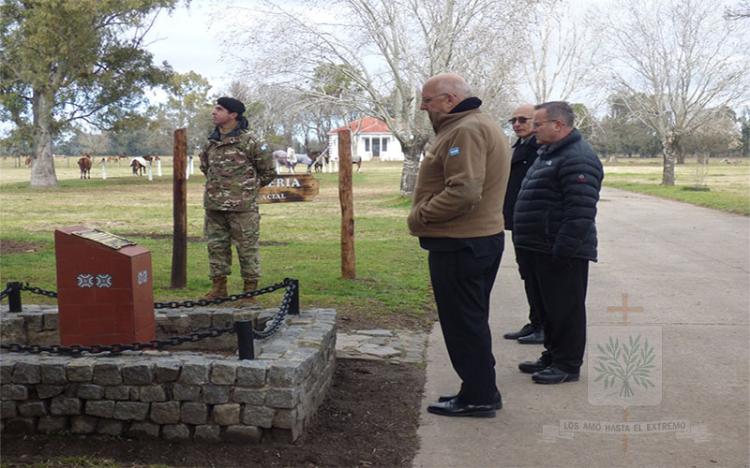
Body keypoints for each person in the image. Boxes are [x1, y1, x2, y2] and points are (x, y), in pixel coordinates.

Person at [408, 73, 510, 417]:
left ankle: (479, 396)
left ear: (450, 99)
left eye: (428, 100)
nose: (423, 107)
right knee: (471, 320)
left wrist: (420, 216)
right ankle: (479, 389)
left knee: (463, 323)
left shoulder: (465, 130)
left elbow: (464, 190)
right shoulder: (473, 124)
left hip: (462, 243)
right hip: (474, 240)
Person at [512, 101, 603, 384]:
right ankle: (552, 355)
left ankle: (567, 364)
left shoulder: (578, 157)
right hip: (539, 247)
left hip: (559, 250)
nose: (533, 129)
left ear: (558, 125)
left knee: (566, 309)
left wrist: (562, 250)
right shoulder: (549, 153)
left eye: (538, 124)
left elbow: (581, 211)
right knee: (549, 308)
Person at [199, 97, 276, 303]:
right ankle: (218, 288)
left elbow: (268, 171)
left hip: (243, 208)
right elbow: (206, 168)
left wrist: (245, 190)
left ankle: (249, 292)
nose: (213, 112)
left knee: (247, 248)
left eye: (219, 109)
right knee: (216, 247)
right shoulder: (211, 142)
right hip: (214, 206)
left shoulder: (251, 142)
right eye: (214, 108)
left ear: (233, 115)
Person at [502, 104, 544, 345]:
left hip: (533, 222)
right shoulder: (520, 146)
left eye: (522, 120)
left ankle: (543, 326)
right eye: (513, 120)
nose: (517, 124)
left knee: (538, 276)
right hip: (519, 221)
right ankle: (535, 322)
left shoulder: (539, 148)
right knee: (527, 273)